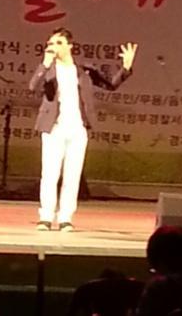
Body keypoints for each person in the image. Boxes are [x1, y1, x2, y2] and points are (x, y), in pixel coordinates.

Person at [29, 27, 137, 231]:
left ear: (70, 46)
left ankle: (65, 218)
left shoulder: (83, 70)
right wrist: (45, 63)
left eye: (58, 43)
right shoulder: (48, 69)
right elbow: (33, 86)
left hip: (78, 128)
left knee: (72, 175)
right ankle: (45, 217)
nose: (53, 47)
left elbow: (110, 85)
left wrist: (126, 67)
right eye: (50, 43)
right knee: (50, 174)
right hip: (53, 128)